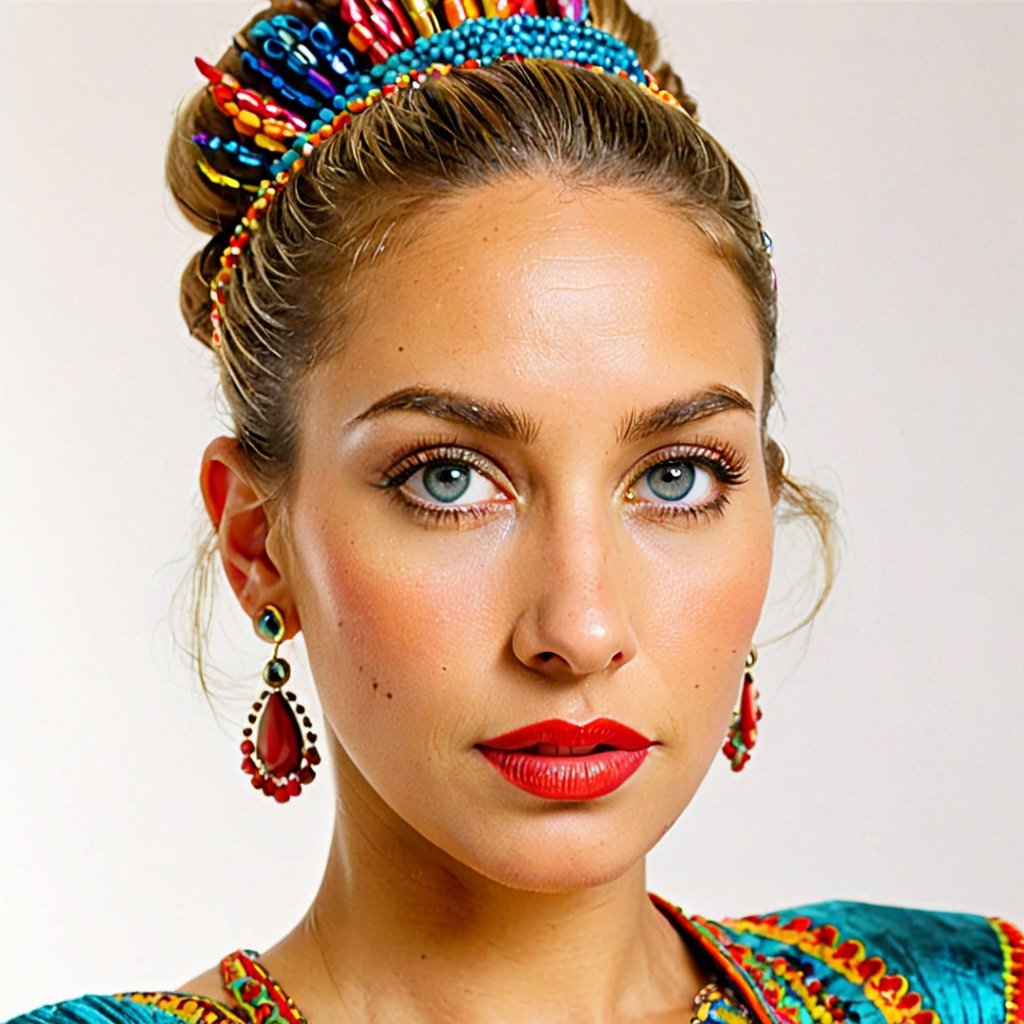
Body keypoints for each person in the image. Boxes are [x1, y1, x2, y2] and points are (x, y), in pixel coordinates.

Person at [6, 0, 1020, 1021]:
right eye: (446, 479)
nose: (579, 630)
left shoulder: (968, 995)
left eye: (677, 477)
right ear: (256, 542)